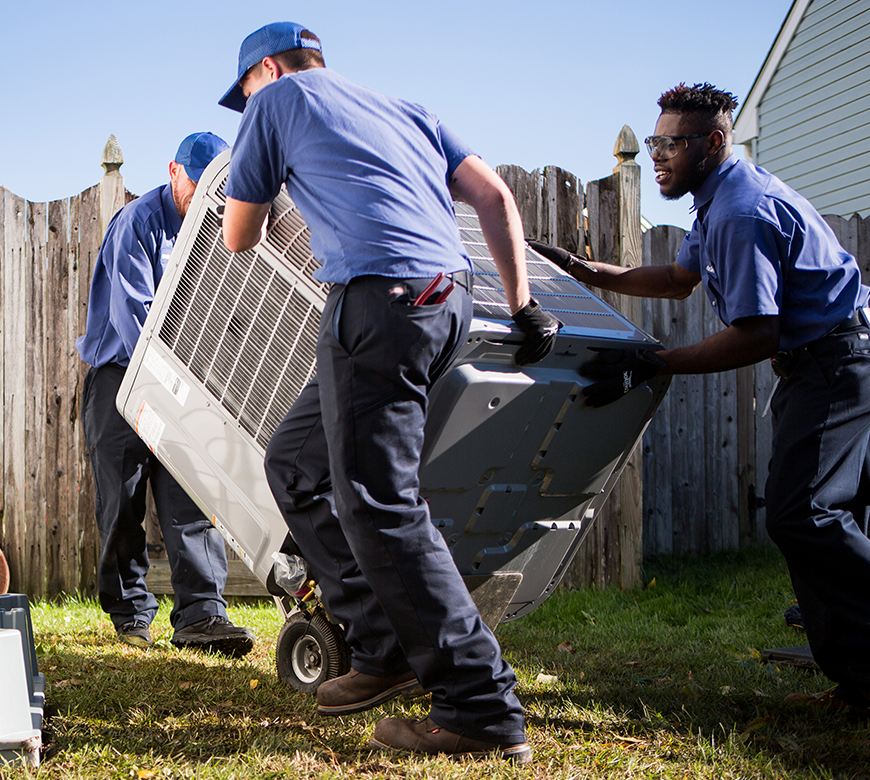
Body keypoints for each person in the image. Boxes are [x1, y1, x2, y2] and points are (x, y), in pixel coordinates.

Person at [219, 22, 561, 761]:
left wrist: (259, 186)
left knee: (381, 502)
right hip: (447, 300)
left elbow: (240, 235)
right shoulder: (407, 109)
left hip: (378, 300)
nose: (245, 105)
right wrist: (524, 304)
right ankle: (380, 644)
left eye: (243, 91)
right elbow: (495, 197)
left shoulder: (275, 103)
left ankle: (479, 703)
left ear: (267, 70)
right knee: (295, 462)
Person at [531, 82, 870, 719]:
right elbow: (678, 279)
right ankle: (858, 686)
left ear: (713, 142)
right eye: (654, 142)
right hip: (831, 358)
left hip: (839, 362)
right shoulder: (717, 202)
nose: (658, 155)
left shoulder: (741, 211)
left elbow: (757, 333)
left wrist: (655, 363)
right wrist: (583, 268)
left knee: (804, 515)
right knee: (831, 512)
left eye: (673, 143)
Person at [77, 131, 256, 658]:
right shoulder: (138, 223)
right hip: (123, 378)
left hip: (184, 382)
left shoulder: (214, 231)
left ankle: (202, 616)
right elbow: (135, 322)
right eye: (196, 185)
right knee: (122, 502)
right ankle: (131, 614)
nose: (203, 197)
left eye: (214, 190)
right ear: (174, 171)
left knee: (192, 499)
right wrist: (173, 389)